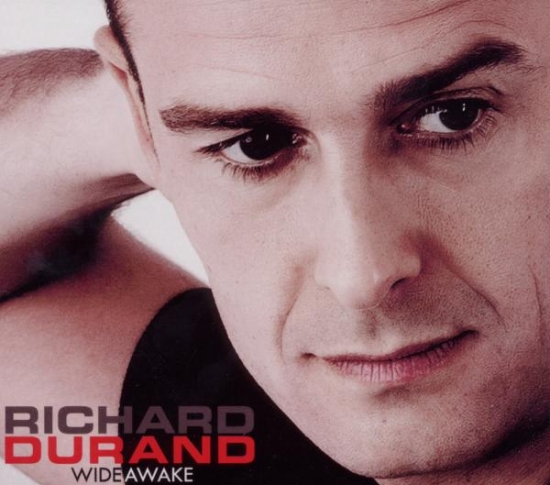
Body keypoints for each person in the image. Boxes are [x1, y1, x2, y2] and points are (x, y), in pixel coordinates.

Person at [3, 0, 550, 483]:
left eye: (453, 116)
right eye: (255, 144)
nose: (359, 277)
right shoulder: (240, 443)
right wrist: (152, 104)